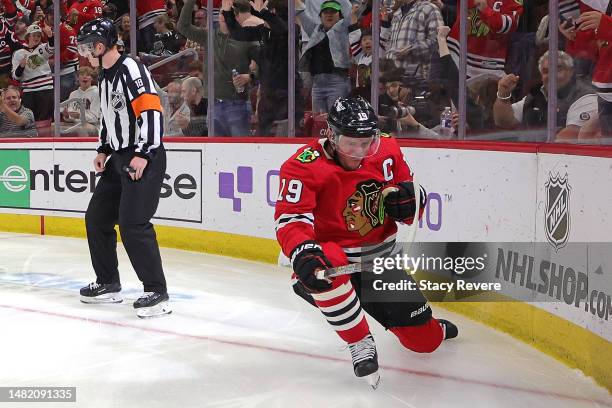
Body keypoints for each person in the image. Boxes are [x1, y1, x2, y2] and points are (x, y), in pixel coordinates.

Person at [274, 96, 458, 386]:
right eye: (350, 143)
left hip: (379, 261)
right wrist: (302, 251)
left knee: (425, 343)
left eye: (366, 143)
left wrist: (412, 201)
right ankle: (359, 341)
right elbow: (291, 219)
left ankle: (429, 327)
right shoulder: (302, 166)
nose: (359, 152)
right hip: (336, 260)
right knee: (326, 261)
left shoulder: (386, 149)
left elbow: (412, 197)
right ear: (331, 136)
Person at [76, 17, 171, 318]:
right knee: (96, 218)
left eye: (88, 46)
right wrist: (103, 148)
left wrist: (143, 153)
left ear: (101, 45)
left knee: (133, 223)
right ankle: (108, 283)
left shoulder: (131, 69)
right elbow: (107, 117)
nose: (84, 52)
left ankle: (156, 291)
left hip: (143, 155)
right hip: (118, 157)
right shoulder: (104, 75)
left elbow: (151, 110)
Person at [493, 51, 598, 141]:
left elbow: (570, 138)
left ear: (571, 72)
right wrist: (503, 95)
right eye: (546, 71)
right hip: (531, 158)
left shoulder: (585, 96)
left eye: (558, 69)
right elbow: (503, 121)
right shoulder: (536, 95)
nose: (551, 74)